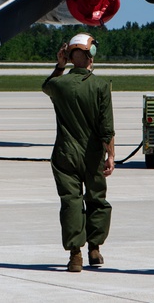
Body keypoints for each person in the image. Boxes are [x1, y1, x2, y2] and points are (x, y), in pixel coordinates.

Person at [42, 32, 116, 273]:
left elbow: (46, 86)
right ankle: (94, 248)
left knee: (71, 202)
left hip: (65, 154)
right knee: (97, 200)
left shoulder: (58, 84)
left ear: (69, 55)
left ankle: (75, 255)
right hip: (92, 154)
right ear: (91, 54)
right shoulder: (101, 85)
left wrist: (59, 66)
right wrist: (111, 155)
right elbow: (107, 128)